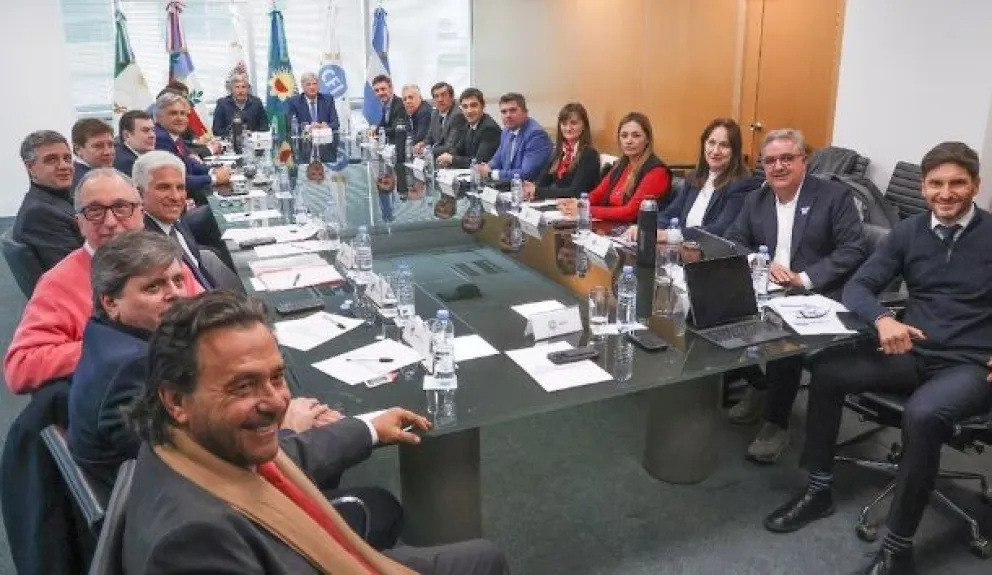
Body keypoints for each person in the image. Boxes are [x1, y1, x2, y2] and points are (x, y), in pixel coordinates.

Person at [122, 291, 511, 574]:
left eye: (277, 377)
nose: (276, 402)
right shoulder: (192, 542)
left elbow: (290, 454)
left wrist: (370, 428)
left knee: (483, 558)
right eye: (243, 386)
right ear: (176, 399)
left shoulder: (185, 446)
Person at [764, 142, 992, 574]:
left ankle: (897, 550)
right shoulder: (909, 232)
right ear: (923, 187)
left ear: (975, 185)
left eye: (957, 183)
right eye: (936, 184)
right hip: (913, 351)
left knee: (923, 415)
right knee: (828, 370)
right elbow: (859, 286)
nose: (946, 193)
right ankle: (819, 489)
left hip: (969, 364)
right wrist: (884, 319)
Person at [65, 232, 336, 495]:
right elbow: (202, 464)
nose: (175, 294)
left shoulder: (104, 335)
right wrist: (287, 428)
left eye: (178, 281)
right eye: (154, 287)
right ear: (111, 302)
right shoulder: (133, 365)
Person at [723, 128, 868, 463]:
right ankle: (760, 386)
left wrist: (804, 278)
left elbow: (853, 249)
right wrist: (761, 262)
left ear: (805, 160)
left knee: (782, 338)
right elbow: (734, 240)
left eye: (787, 158)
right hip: (768, 287)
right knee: (711, 312)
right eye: (770, 160)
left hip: (818, 293)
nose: (778, 167)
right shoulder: (757, 199)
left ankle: (776, 422)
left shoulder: (833, 197)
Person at [3, 169, 203, 394]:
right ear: (79, 222)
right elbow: (21, 365)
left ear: (141, 213)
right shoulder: (58, 284)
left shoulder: (166, 264)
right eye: (95, 211)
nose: (110, 222)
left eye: (121, 207)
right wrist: (114, 347)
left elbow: (206, 314)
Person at [623, 118, 760, 243]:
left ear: (735, 151)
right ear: (704, 144)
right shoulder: (695, 177)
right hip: (682, 249)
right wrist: (646, 227)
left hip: (710, 254)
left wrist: (668, 235)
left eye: (724, 145)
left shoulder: (741, 184)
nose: (715, 151)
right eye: (711, 142)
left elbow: (719, 230)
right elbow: (671, 213)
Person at [558, 113, 671, 223]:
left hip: (634, 230)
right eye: (624, 136)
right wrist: (577, 203)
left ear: (647, 139)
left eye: (636, 136)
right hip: (610, 226)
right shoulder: (621, 164)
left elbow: (630, 213)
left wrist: (585, 210)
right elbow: (597, 194)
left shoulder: (657, 172)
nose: (629, 141)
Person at [135, 151, 214, 289]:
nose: (176, 197)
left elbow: (200, 273)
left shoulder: (176, 222)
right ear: (140, 193)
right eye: (164, 188)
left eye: (180, 188)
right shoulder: (144, 245)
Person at [12, 130, 83, 271]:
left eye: (67, 158)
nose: (64, 166)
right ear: (30, 167)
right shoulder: (39, 213)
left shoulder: (62, 198)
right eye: (51, 160)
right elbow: (74, 270)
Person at [153, 91, 231, 205]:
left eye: (183, 114)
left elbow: (190, 164)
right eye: (173, 113)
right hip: (174, 202)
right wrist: (214, 178)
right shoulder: (160, 138)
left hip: (187, 197)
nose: (180, 118)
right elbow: (176, 179)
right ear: (159, 117)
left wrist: (213, 171)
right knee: (222, 207)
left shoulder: (173, 135)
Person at [522, 102, 600, 201]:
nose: (568, 128)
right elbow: (542, 183)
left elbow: (575, 192)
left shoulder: (589, 154)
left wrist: (537, 191)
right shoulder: (558, 152)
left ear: (584, 125)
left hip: (578, 207)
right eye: (564, 124)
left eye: (574, 123)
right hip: (558, 205)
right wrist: (530, 188)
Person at [475, 93, 552, 183]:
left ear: (525, 112)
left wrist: (492, 174)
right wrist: (486, 167)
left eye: (513, 110)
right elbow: (498, 158)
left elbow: (527, 173)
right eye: (504, 112)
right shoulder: (506, 131)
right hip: (509, 185)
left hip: (528, 187)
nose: (508, 115)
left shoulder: (536, 135)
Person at [437, 88, 501, 169]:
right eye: (465, 107)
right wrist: (447, 157)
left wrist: (451, 159)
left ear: (483, 106)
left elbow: (479, 162)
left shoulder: (489, 129)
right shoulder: (468, 124)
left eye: (473, 105)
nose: (469, 111)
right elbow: (458, 149)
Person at [416, 81, 465, 157]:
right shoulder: (435, 113)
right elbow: (429, 138)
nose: (440, 99)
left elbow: (450, 146)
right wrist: (422, 144)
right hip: (437, 157)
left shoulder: (458, 115)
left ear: (451, 97)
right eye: (436, 96)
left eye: (443, 95)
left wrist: (427, 151)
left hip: (452, 158)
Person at [70, 118, 115, 190]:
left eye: (110, 144)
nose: (108, 152)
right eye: (98, 146)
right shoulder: (88, 182)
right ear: (78, 149)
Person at [114, 110, 156, 176]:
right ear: (127, 136)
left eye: (153, 130)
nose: (152, 135)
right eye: (145, 130)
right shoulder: (128, 164)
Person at [370, 74, 406, 139]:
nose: (380, 93)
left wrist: (377, 131)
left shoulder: (400, 105)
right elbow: (382, 126)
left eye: (383, 89)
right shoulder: (385, 105)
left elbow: (395, 130)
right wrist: (374, 130)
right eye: (377, 90)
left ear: (391, 89)